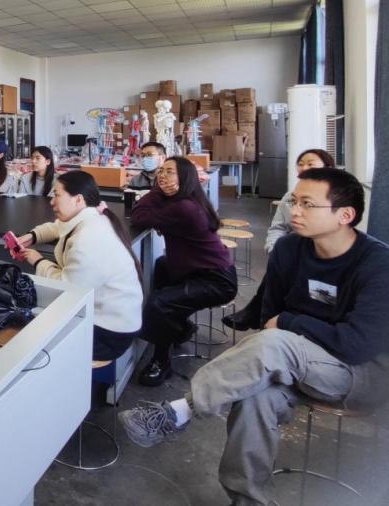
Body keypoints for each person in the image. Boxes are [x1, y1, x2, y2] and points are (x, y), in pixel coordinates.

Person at [118, 168, 389, 506]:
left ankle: (181, 410)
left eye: (307, 204)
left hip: (355, 373)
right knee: (253, 400)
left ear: (345, 215)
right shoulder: (289, 250)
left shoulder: (377, 264)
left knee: (277, 342)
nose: (294, 211)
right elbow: (267, 316)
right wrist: (287, 327)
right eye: (294, 202)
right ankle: (248, 499)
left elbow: (356, 344)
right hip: (289, 363)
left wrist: (291, 322)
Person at [131, 156, 237, 386]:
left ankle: (161, 361)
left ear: (186, 178)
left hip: (216, 281)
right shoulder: (188, 200)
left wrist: (155, 191)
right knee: (162, 266)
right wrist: (160, 191)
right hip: (198, 270)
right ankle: (180, 328)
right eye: (161, 171)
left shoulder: (184, 207)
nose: (162, 175)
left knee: (159, 303)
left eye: (169, 172)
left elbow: (138, 215)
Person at [15, 170, 143, 360]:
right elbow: (57, 227)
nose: (51, 201)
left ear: (78, 199)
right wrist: (33, 236)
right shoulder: (90, 217)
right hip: (113, 318)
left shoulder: (89, 238)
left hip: (108, 332)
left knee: (27, 334)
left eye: (57, 195)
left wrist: (37, 260)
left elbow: (67, 288)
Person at [224, 148, 336, 331]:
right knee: (280, 267)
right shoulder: (290, 197)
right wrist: (275, 250)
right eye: (300, 164)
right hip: (292, 253)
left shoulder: (335, 198)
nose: (304, 168)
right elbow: (278, 227)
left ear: (328, 168)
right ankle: (266, 320)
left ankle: (259, 313)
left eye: (311, 164)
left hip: (320, 259)